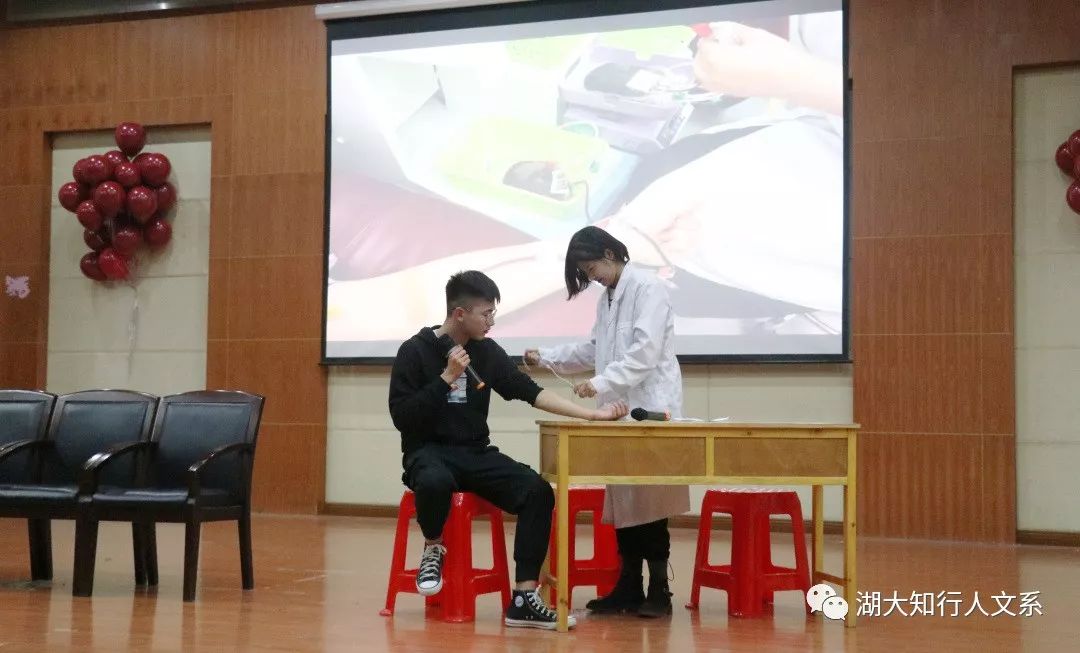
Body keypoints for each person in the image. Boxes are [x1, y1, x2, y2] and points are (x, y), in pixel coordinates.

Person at [389, 270, 628, 630]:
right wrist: (447, 377)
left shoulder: (486, 351)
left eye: (493, 313)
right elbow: (403, 417)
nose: (491, 322)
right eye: (485, 314)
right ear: (459, 314)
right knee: (434, 480)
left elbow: (529, 391)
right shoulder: (414, 351)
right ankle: (434, 546)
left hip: (474, 452)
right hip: (428, 451)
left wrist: (592, 415)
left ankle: (523, 599)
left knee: (536, 491)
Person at [524, 226, 690, 618]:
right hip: (617, 411)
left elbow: (645, 352)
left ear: (610, 254)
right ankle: (629, 585)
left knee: (651, 499)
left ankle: (659, 590)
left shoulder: (648, 288)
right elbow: (594, 349)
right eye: (586, 272)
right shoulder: (608, 298)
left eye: (592, 268)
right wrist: (546, 357)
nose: (592, 277)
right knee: (624, 498)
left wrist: (600, 383)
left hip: (649, 408)